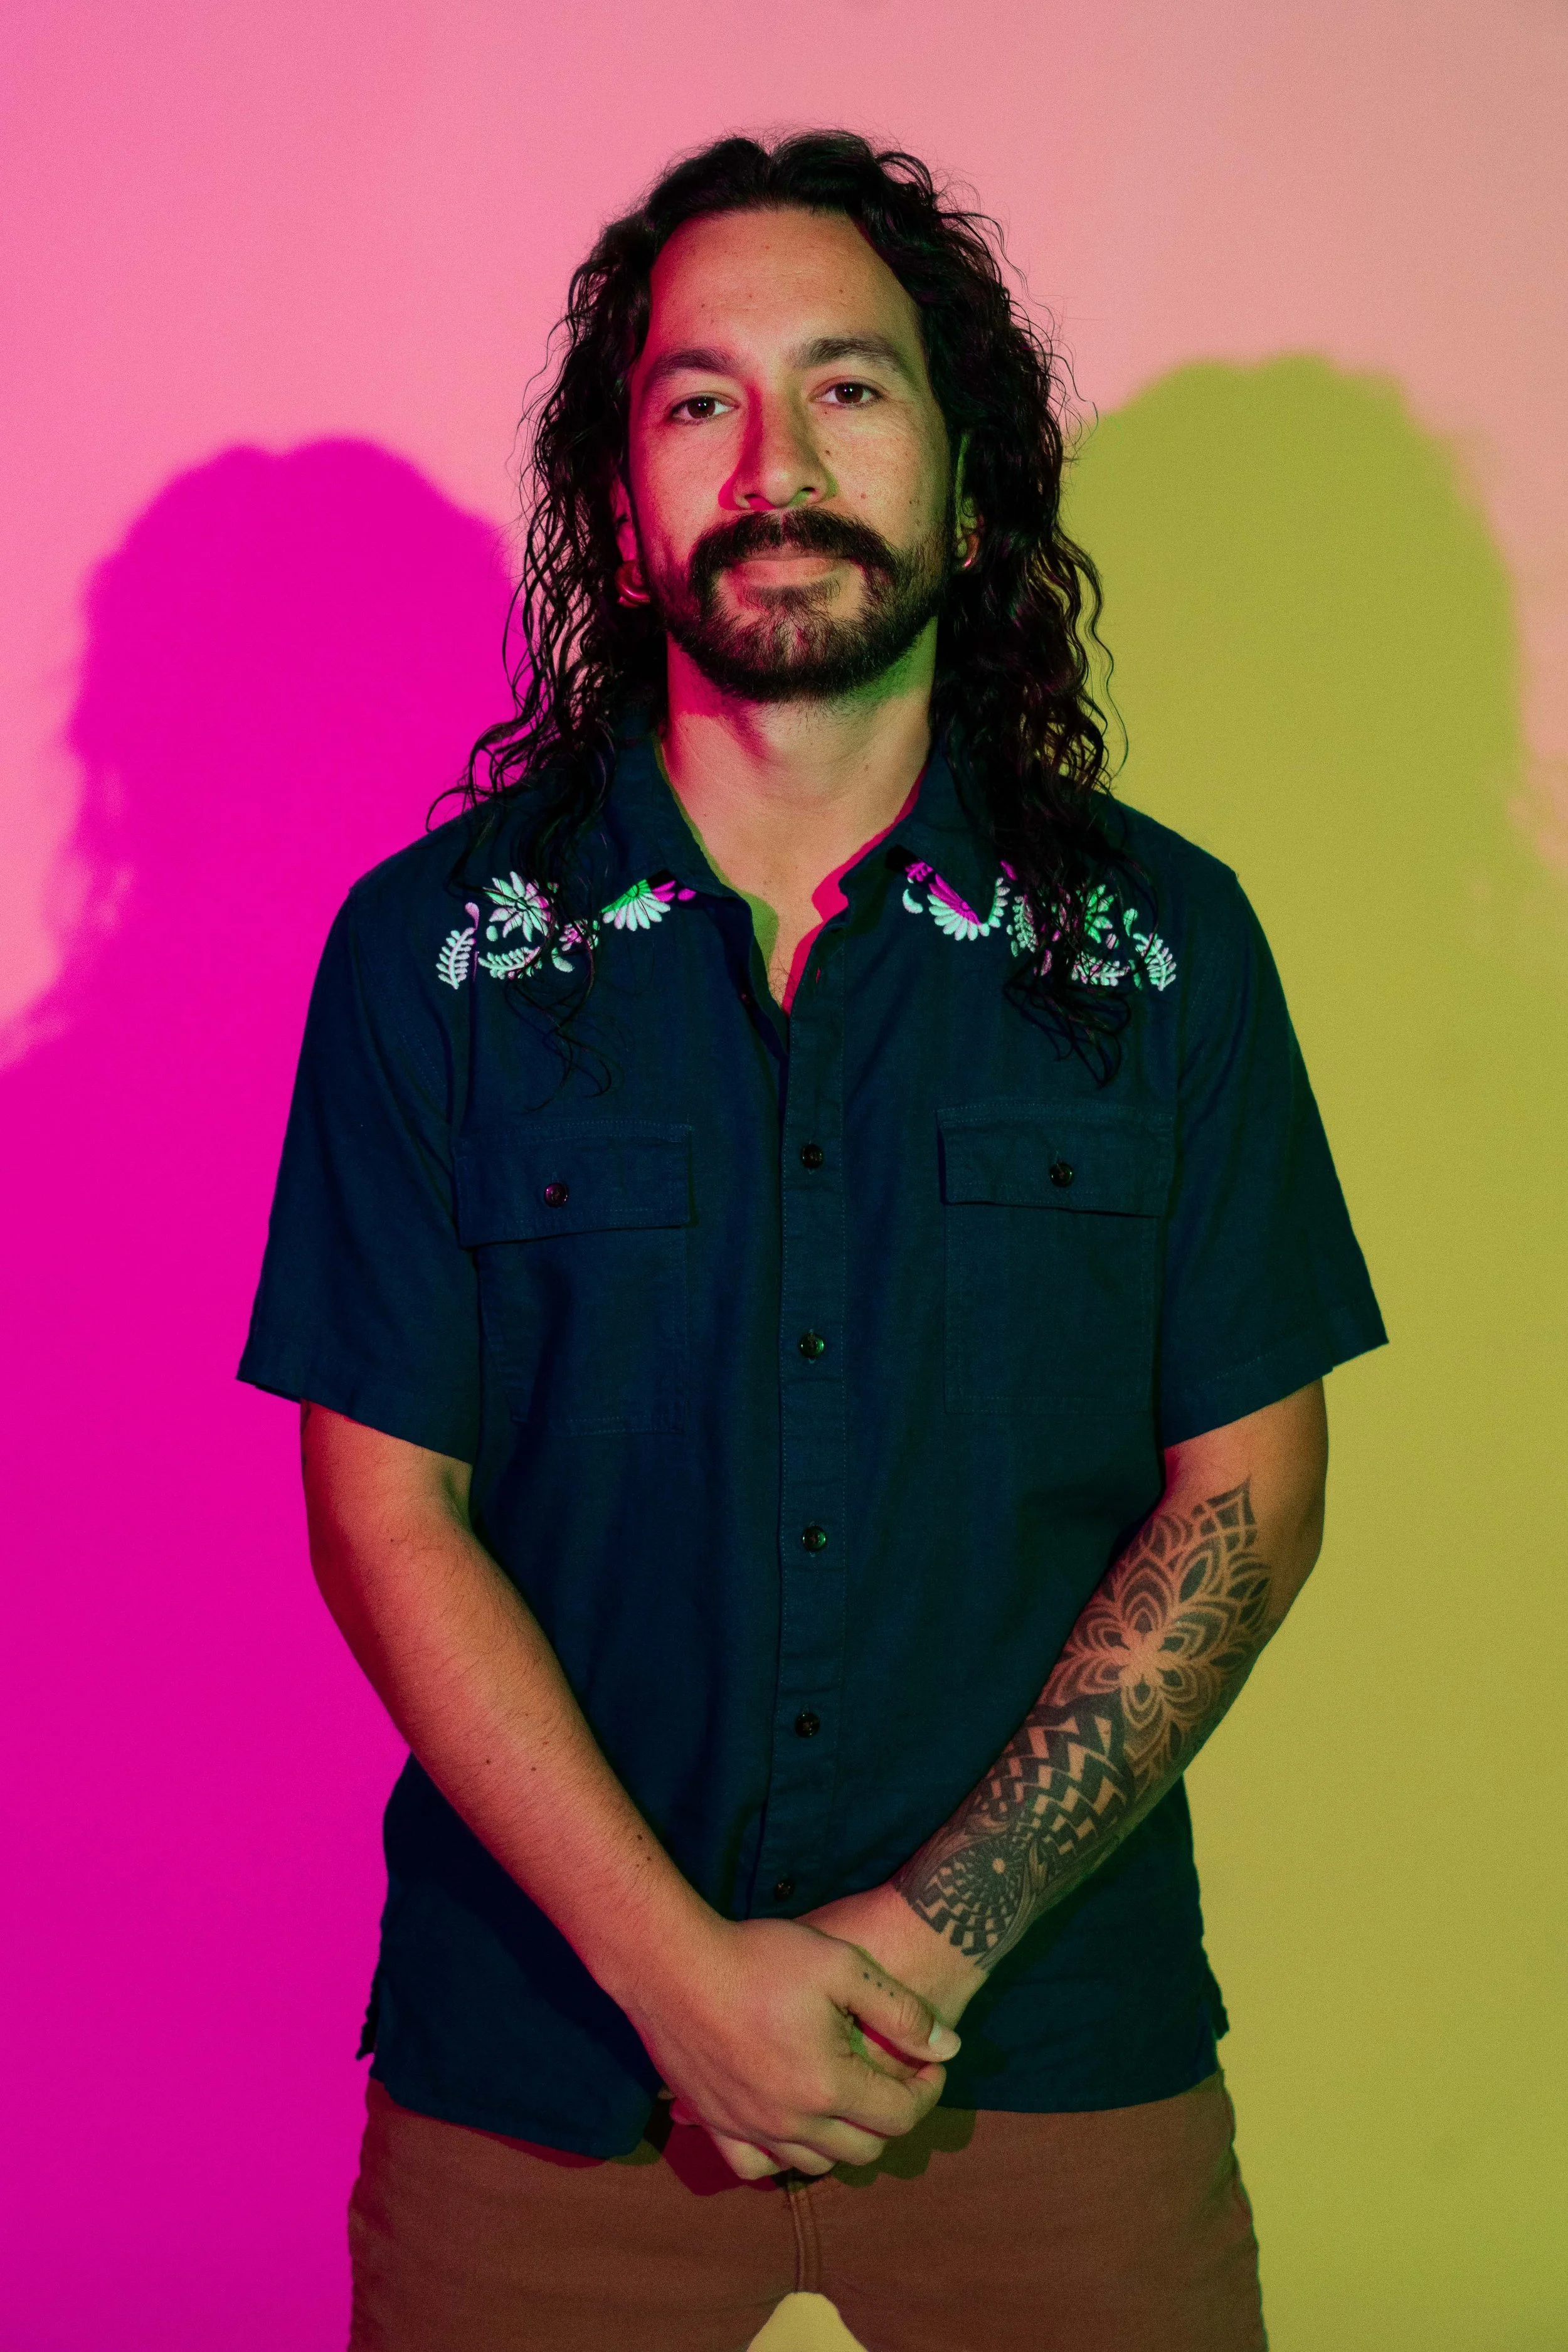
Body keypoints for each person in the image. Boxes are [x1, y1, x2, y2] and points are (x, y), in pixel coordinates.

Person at [240, 130, 1385, 2351]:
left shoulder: (1158, 948)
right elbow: (384, 1511)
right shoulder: (433, 960)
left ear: (968, 486)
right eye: (699, 400)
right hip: (539, 2096)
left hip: (1043, 2072)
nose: (774, 459)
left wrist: (918, 1953)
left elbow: (1249, 1490)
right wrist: (687, 1982)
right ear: (620, 499)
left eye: (849, 387)